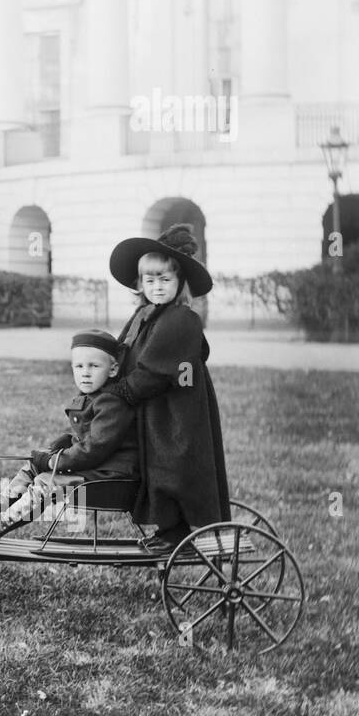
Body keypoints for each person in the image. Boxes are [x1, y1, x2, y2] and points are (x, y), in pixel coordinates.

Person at [105, 222, 230, 554]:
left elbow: (153, 372)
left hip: (177, 412)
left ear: (180, 283)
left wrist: (121, 393)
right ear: (139, 283)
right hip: (156, 409)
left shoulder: (179, 320)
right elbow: (124, 351)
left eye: (165, 279)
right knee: (154, 466)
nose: (157, 286)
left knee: (170, 467)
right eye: (149, 280)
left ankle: (177, 533)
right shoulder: (145, 315)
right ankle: (168, 529)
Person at [0, 330, 139, 545]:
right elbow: (91, 435)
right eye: (79, 366)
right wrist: (67, 440)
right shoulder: (94, 396)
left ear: (113, 369)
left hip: (110, 476)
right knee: (33, 467)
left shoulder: (112, 403)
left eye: (94, 366)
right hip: (94, 468)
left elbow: (94, 448)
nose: (85, 373)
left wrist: (51, 461)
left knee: (45, 482)